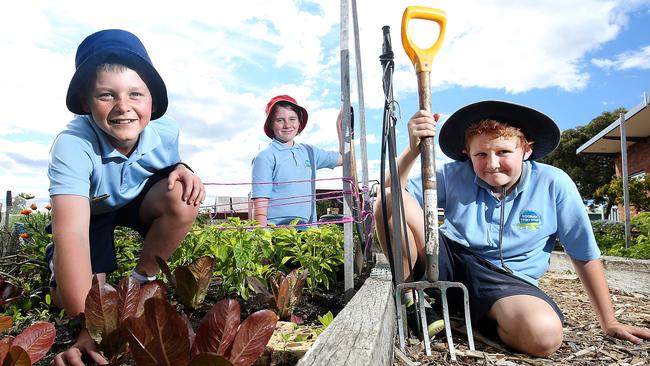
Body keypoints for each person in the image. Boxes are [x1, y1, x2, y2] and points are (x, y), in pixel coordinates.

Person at [374, 100, 650, 356]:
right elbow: (389, 189)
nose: (492, 164)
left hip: (508, 283)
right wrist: (412, 149)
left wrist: (609, 320)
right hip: (450, 261)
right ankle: (413, 299)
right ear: (466, 153)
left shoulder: (554, 184)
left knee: (543, 337)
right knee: (389, 199)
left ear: (526, 149)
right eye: (480, 154)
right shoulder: (454, 175)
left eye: (504, 152)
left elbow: (584, 253)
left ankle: (485, 316)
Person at [47, 29, 205, 365]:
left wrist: (184, 167)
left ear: (152, 101)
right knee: (72, 300)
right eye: (106, 95)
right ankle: (55, 264)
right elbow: (71, 231)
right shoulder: (72, 145)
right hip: (91, 210)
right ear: (86, 104)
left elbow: (167, 164)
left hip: (135, 200)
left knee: (182, 194)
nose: (124, 107)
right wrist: (91, 325)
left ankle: (140, 280)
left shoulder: (166, 130)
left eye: (136, 94)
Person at [251, 95, 343, 227]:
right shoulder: (265, 156)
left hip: (308, 231)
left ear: (299, 122)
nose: (287, 125)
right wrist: (261, 234)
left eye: (292, 119)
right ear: (271, 124)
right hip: (278, 233)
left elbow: (342, 158)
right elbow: (260, 201)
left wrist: (339, 126)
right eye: (280, 120)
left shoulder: (309, 152)